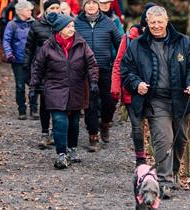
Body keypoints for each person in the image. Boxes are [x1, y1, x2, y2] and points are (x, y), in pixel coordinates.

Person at [121, 6, 190, 198]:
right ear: (147, 24)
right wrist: (137, 84)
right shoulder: (137, 45)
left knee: (180, 138)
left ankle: (173, 172)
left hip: (180, 99)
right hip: (154, 100)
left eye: (160, 22)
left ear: (167, 21)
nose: (156, 26)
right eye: (152, 23)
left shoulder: (184, 42)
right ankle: (164, 181)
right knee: (163, 139)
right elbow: (126, 70)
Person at [30, 13, 99, 169]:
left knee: (74, 122)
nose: (72, 29)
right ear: (59, 29)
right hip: (55, 88)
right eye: (68, 26)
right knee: (60, 121)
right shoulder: (48, 46)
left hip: (77, 88)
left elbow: (92, 63)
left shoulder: (81, 43)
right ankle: (61, 154)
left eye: (72, 26)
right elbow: (38, 67)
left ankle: (72, 149)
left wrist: (93, 81)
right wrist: (33, 86)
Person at [111, 2, 155, 167]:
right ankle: (141, 159)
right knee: (137, 125)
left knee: (154, 125)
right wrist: (115, 88)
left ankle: (159, 160)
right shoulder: (129, 38)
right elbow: (118, 63)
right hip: (131, 89)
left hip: (154, 91)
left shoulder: (162, 39)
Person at [75, 0, 122, 152]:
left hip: (105, 68)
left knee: (110, 101)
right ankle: (93, 133)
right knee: (90, 103)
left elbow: (120, 44)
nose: (91, 6)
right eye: (88, 2)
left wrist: (118, 64)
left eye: (94, 2)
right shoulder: (76, 23)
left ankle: (106, 123)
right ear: (84, 5)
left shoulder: (109, 23)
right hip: (85, 70)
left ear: (98, 5)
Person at [24, 0, 61, 147]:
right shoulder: (36, 25)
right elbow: (29, 49)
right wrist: (27, 70)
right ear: (46, 10)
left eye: (58, 8)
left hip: (61, 71)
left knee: (59, 104)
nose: (55, 10)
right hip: (43, 71)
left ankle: (56, 132)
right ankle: (45, 133)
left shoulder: (65, 24)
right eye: (52, 8)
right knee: (45, 103)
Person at [2, 0, 35, 120]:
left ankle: (34, 109)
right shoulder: (12, 25)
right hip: (18, 60)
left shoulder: (34, 23)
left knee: (34, 85)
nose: (30, 12)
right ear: (20, 11)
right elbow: (6, 40)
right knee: (20, 86)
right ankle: (22, 109)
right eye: (28, 10)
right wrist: (9, 54)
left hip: (32, 60)